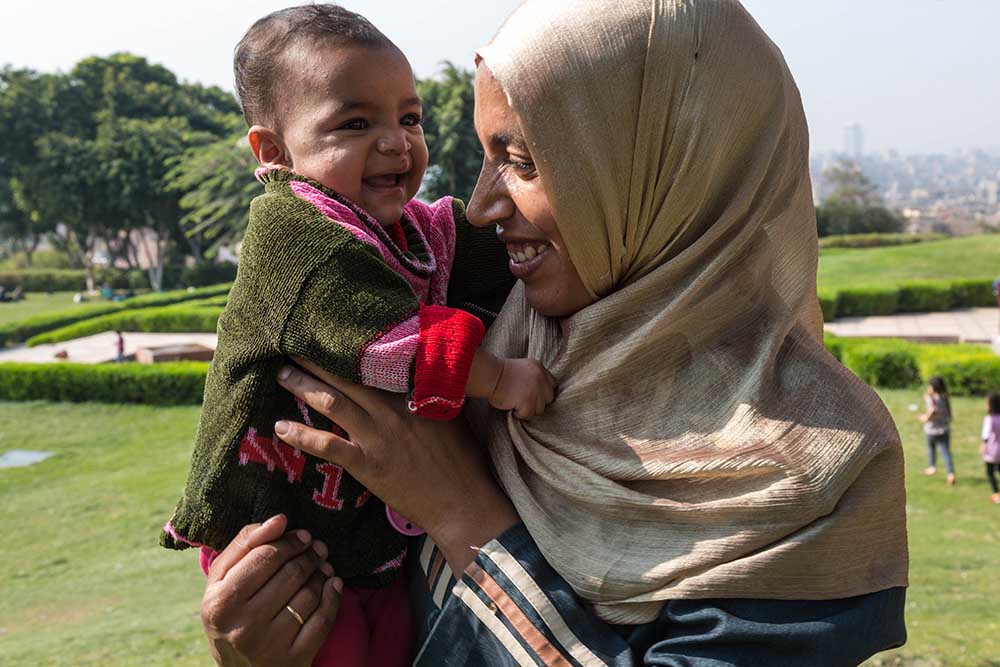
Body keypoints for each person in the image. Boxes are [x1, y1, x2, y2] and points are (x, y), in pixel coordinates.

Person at [196, 1, 909, 665]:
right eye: (483, 156)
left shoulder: (817, 478)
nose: (477, 207)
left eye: (525, 160)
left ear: (658, 169)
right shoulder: (497, 328)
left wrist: (461, 513)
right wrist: (265, 645)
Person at [162, 6, 553, 667]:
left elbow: (474, 236)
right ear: (275, 153)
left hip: (356, 538)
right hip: (279, 540)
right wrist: (500, 377)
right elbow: (390, 342)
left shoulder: (400, 226)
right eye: (355, 123)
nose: (397, 142)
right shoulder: (296, 237)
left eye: (409, 118)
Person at [920, 376, 955, 485]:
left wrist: (924, 418)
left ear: (933, 387)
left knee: (931, 448)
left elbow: (933, 411)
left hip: (932, 430)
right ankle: (951, 474)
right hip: (944, 429)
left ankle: (932, 467)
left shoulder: (933, 400)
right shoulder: (945, 398)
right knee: (946, 452)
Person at [981, 391, 1000, 504]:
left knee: (990, 472)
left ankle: (996, 493)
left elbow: (986, 435)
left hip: (992, 449)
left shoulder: (990, 419)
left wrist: (983, 446)